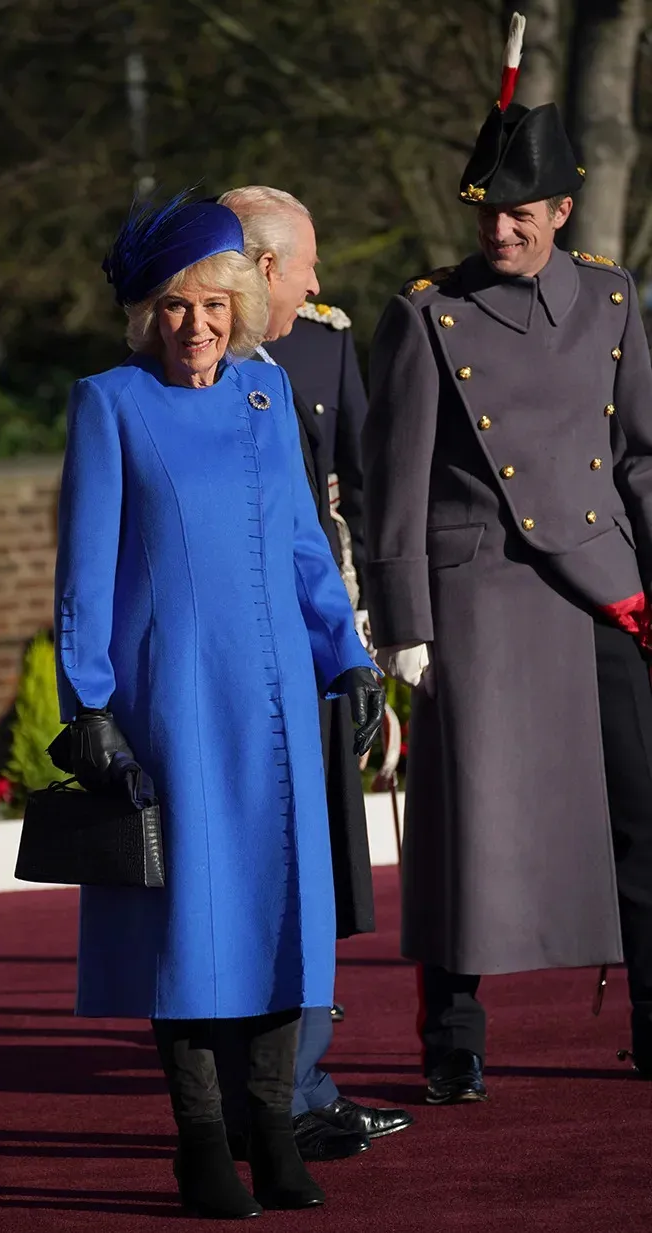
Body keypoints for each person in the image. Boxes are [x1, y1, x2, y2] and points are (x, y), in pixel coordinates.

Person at [53, 193, 384, 1219]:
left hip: (279, 697)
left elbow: (299, 545)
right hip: (175, 702)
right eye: (171, 307)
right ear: (145, 314)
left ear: (240, 303)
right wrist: (89, 701)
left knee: (286, 917)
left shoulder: (262, 399)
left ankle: (274, 1133)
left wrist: (348, 658)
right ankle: (201, 1143)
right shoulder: (110, 403)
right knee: (188, 931)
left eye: (210, 305)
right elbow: (84, 571)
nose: (193, 326)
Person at [362, 11, 652, 1106]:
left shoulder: (615, 299)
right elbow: (393, 478)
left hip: (603, 593)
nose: (501, 234)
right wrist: (404, 623)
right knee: (468, 826)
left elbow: (639, 459)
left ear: (561, 211)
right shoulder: (424, 316)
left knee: (639, 812)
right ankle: (452, 1036)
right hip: (477, 592)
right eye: (488, 214)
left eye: (521, 216)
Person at [220, 185, 413, 1156]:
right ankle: (270, 1097)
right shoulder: (187, 371)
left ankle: (298, 1082)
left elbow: (346, 514)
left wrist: (368, 645)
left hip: (317, 653)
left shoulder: (322, 347)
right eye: (305, 266)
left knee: (324, 875)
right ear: (261, 269)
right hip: (232, 667)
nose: (318, 283)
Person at [267, 299, 370, 644]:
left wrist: (366, 596)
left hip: (326, 576)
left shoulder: (324, 338)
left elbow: (357, 473)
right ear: (269, 264)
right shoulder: (205, 335)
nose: (315, 285)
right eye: (306, 266)